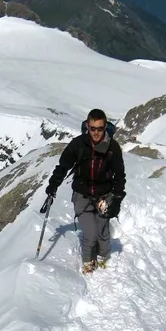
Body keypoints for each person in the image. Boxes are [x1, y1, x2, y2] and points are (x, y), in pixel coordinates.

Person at [45, 109, 126, 273]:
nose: (96, 132)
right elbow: (63, 166)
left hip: (104, 194)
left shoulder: (112, 148)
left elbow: (119, 175)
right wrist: (53, 185)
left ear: (105, 127)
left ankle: (103, 256)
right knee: (90, 232)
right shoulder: (78, 144)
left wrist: (116, 199)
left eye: (100, 128)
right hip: (82, 194)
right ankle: (88, 262)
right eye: (93, 128)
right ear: (87, 127)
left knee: (103, 231)